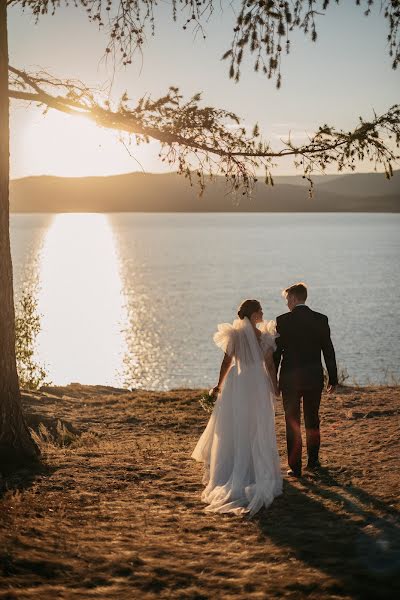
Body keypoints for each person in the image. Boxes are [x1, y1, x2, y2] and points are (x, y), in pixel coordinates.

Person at [192, 299, 283, 516]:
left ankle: (233, 468)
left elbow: (226, 362)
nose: (262, 313)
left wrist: (219, 384)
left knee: (236, 425)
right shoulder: (265, 336)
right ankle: (255, 470)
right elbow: (270, 365)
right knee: (257, 424)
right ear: (253, 315)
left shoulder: (234, 335)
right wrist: (275, 386)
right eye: (260, 310)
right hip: (258, 383)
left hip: (239, 381)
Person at [273, 283, 338, 477]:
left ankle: (295, 467)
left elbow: (277, 354)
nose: (287, 304)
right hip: (313, 377)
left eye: (287, 300)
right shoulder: (320, 319)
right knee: (312, 420)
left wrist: (274, 379)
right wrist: (333, 378)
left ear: (293, 298)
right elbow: (328, 350)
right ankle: (314, 463)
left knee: (292, 421)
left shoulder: (282, 321)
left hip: (290, 379)